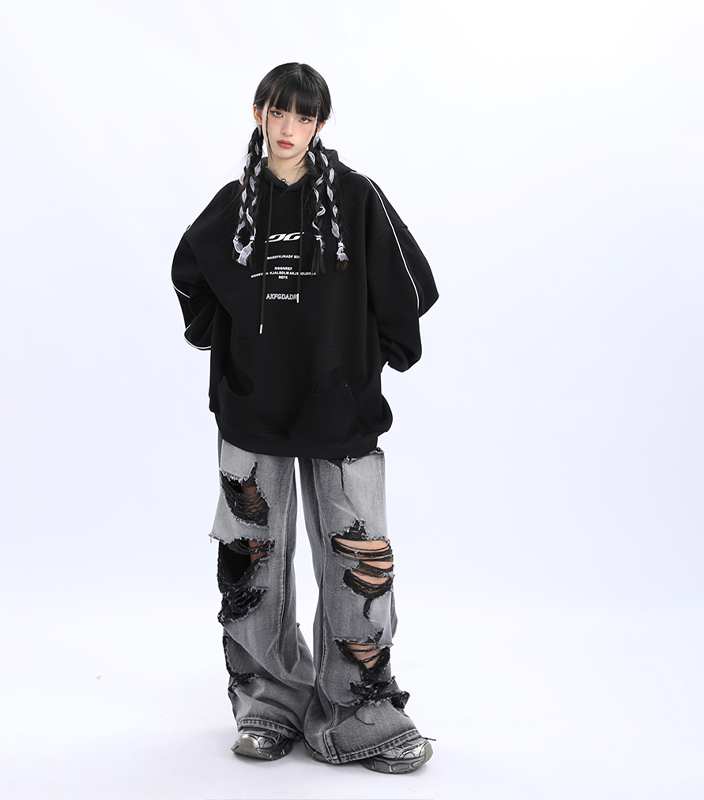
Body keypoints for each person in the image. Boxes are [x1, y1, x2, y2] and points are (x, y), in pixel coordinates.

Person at [171, 63, 438, 773]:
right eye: (279, 112)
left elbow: (410, 285)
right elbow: (190, 274)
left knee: (359, 555)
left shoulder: (355, 198)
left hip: (338, 407)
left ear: (320, 123)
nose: (289, 128)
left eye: (305, 116)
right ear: (259, 112)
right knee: (251, 555)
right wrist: (232, 350)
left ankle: (358, 708)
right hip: (252, 405)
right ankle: (268, 700)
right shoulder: (234, 204)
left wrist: (363, 362)